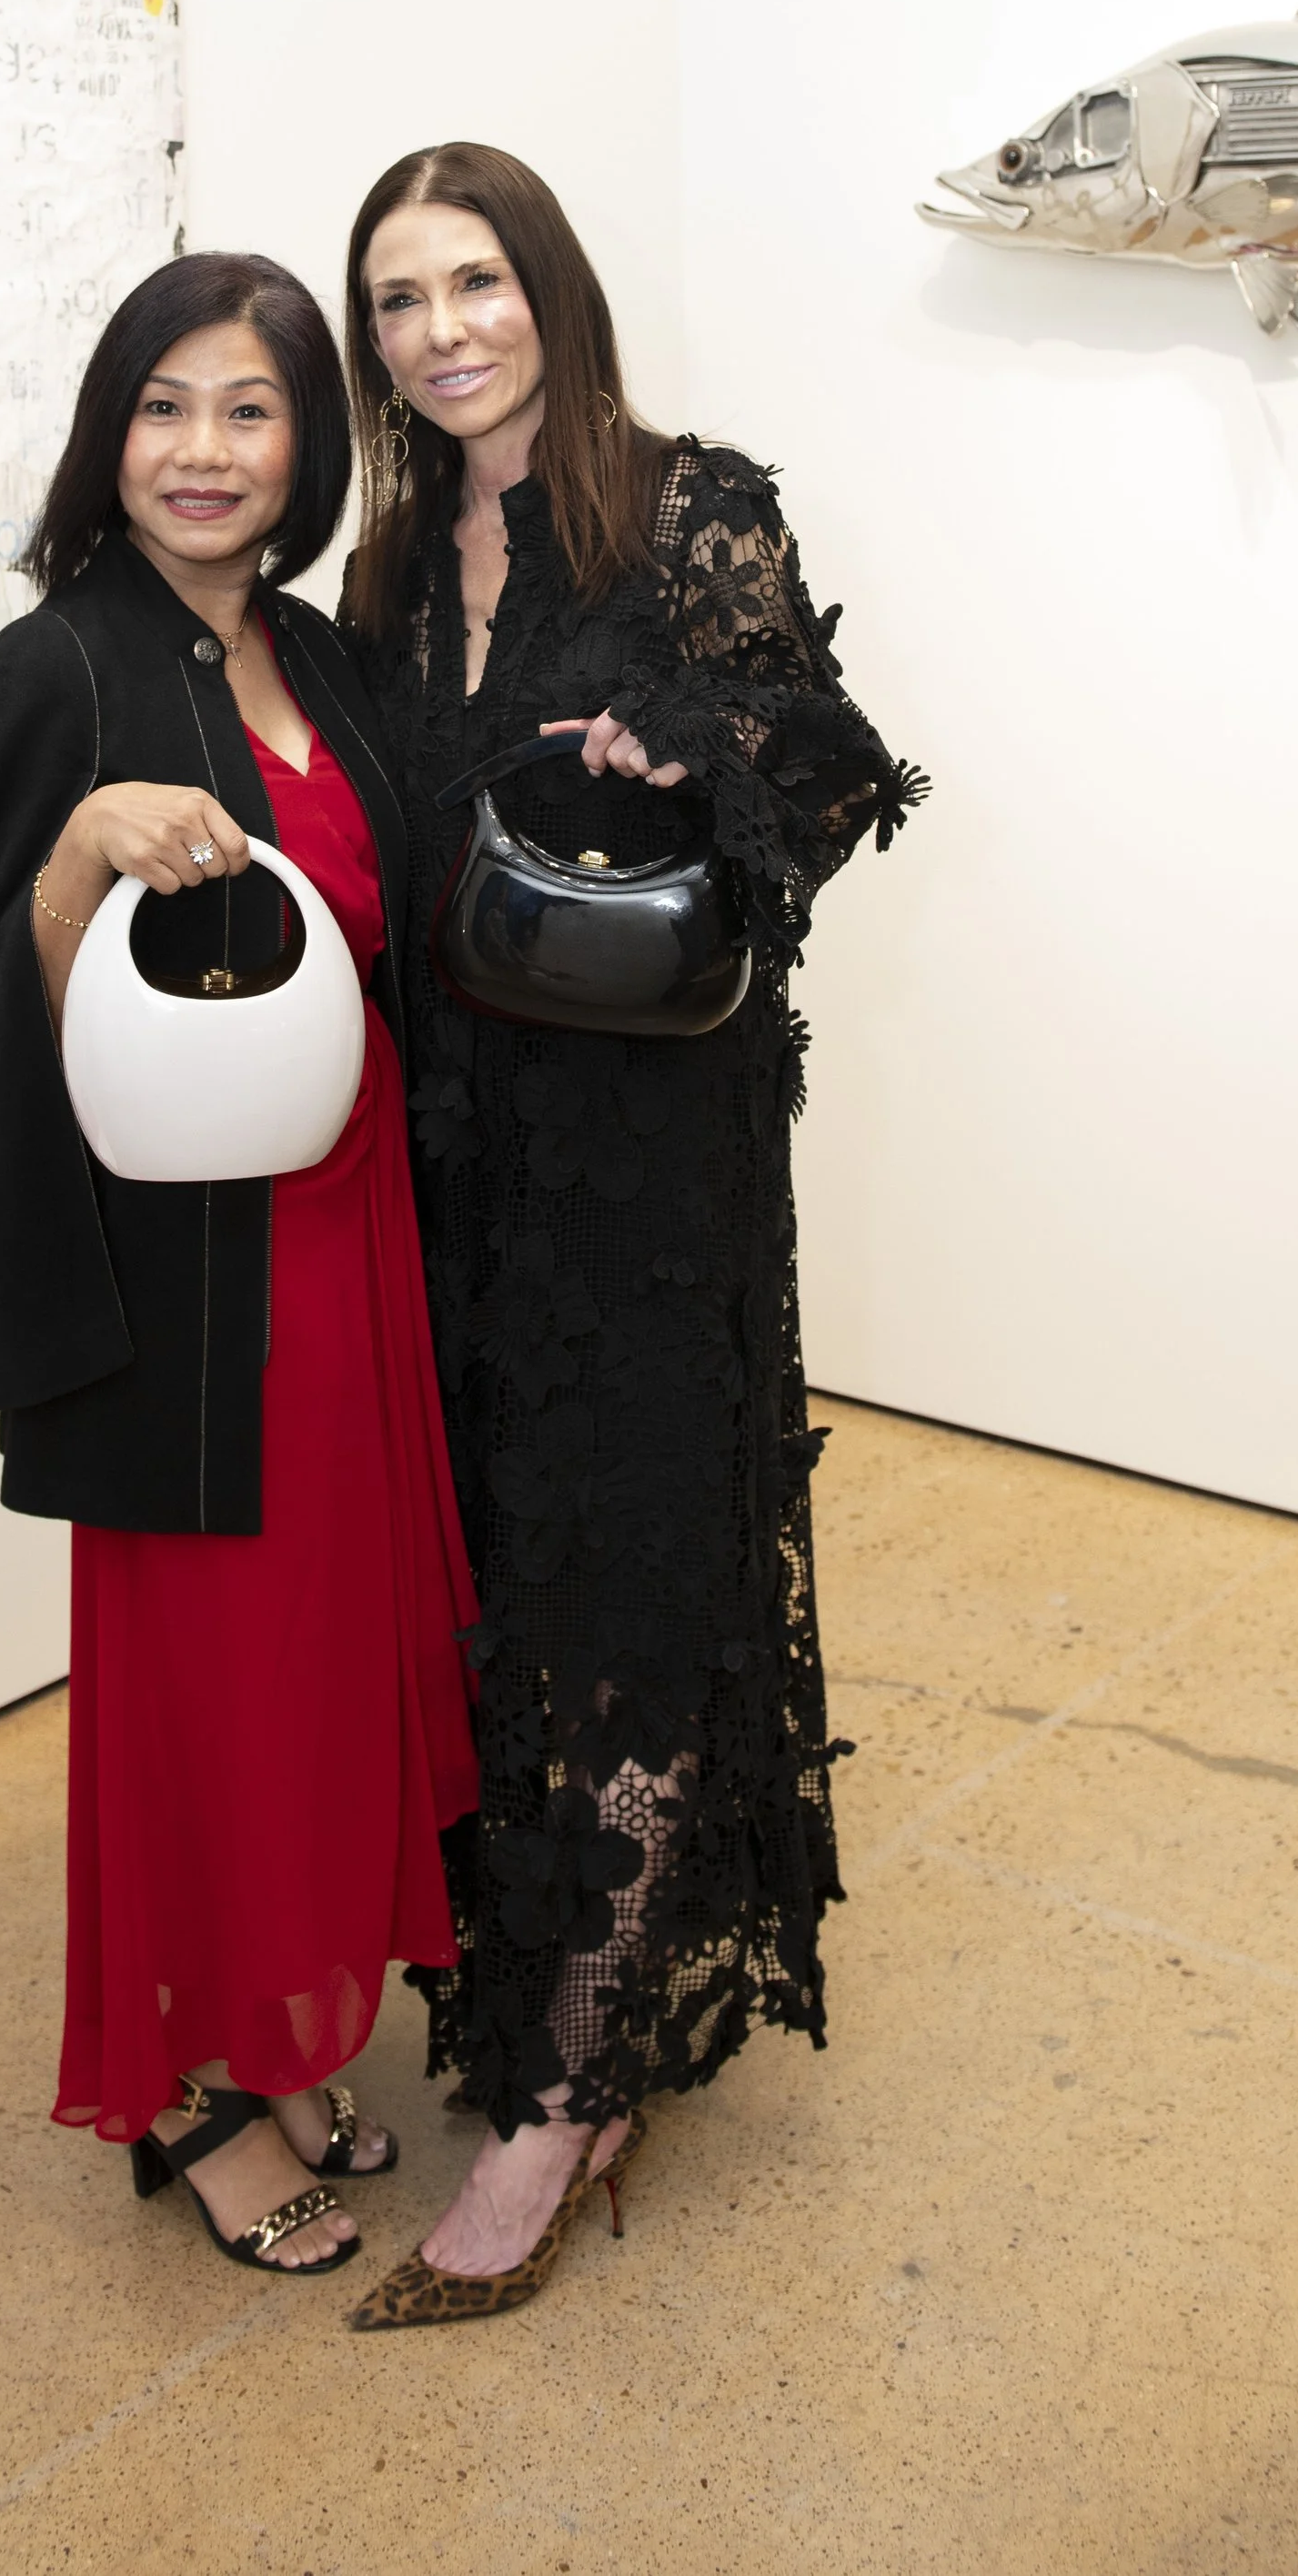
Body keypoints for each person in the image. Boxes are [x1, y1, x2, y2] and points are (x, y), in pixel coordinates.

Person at [334, 146, 924, 2329]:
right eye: (396, 300)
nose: (438, 330)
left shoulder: (687, 503)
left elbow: (839, 772)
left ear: (546, 288)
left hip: (648, 1169)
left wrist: (686, 744)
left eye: (471, 280)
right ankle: (566, 2000)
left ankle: (560, 2097)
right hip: (459, 1160)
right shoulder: (393, 559)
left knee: (640, 1580)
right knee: (508, 1588)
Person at [0, 250, 478, 2279]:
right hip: (187, 1287)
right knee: (203, 1690)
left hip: (347, 1254)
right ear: (110, 429)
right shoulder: (51, 671)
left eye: (247, 410)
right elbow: (2, 1012)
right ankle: (179, 2081)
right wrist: (81, 846)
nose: (201, 451)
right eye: (163, 405)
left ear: (308, 445)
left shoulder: (312, 659)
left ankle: (274, 2014)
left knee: (321, 1672)